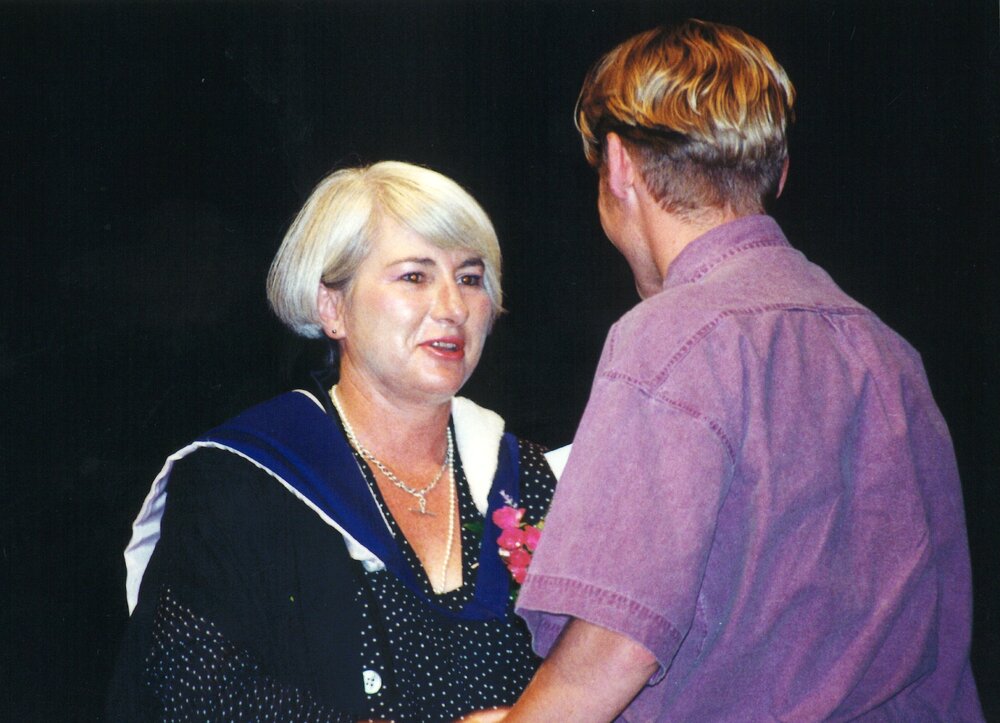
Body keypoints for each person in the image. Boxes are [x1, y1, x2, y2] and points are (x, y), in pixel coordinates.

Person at [465, 18, 984, 722]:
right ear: (778, 172)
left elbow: (620, 642)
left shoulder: (671, 338)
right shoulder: (888, 353)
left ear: (619, 165)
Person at [107, 161, 557, 721]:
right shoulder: (243, 481)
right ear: (332, 308)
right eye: (414, 276)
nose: (453, 308)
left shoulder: (528, 478)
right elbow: (197, 692)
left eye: (470, 277)